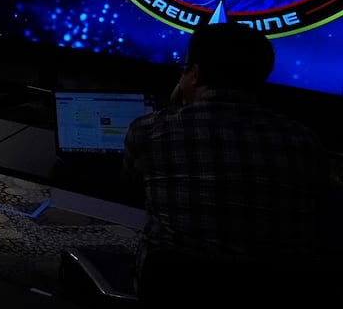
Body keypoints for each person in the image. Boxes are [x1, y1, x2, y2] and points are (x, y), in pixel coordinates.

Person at [124, 21, 329, 280]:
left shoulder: (150, 130)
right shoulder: (304, 141)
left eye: (184, 68)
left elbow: (132, 187)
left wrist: (173, 107)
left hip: (171, 295)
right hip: (280, 302)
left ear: (194, 74)